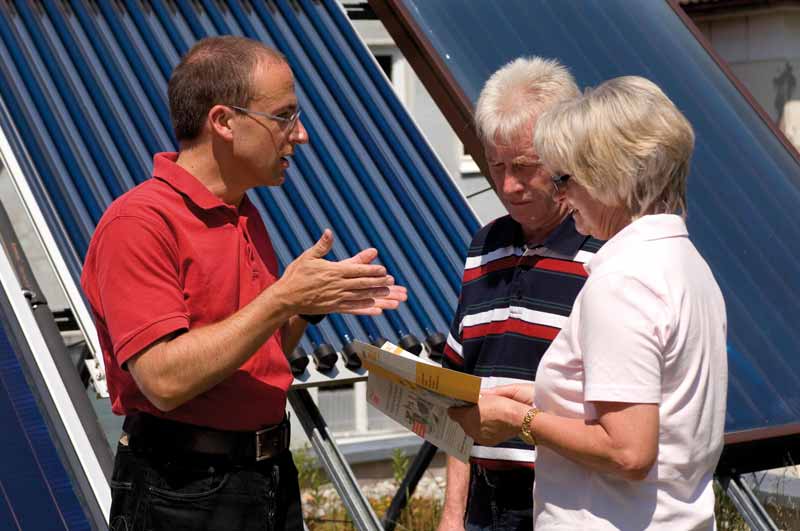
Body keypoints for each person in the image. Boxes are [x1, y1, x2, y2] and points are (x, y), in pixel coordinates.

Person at [81, 36, 406, 531]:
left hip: (265, 474)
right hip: (184, 491)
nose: (300, 136)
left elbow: (255, 352)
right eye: (284, 116)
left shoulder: (242, 213)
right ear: (224, 122)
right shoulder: (139, 223)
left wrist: (308, 306)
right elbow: (165, 380)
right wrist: (282, 298)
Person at [450, 76, 728, 530]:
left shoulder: (623, 281)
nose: (562, 194)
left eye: (567, 178)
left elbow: (628, 450)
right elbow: (647, 406)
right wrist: (537, 396)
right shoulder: (683, 263)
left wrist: (519, 418)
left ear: (611, 176)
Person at [437, 57, 602, 531]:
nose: (508, 185)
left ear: (566, 152)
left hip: (571, 505)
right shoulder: (483, 246)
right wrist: (453, 513)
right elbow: (461, 392)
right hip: (485, 509)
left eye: (525, 167)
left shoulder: (607, 255)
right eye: (496, 165)